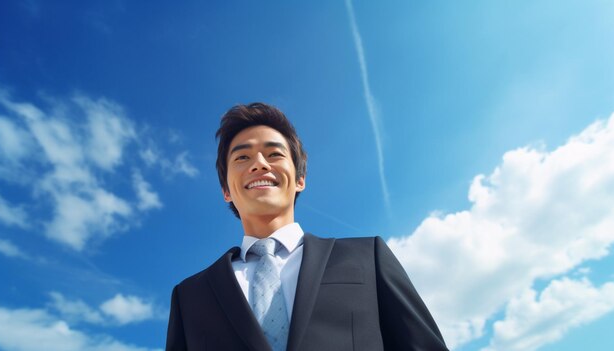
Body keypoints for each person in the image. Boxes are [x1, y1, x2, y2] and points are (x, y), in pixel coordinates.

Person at [166, 103, 448, 351]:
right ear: (226, 189)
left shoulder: (368, 257)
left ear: (300, 179)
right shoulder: (189, 295)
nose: (259, 164)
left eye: (274, 154)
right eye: (242, 157)